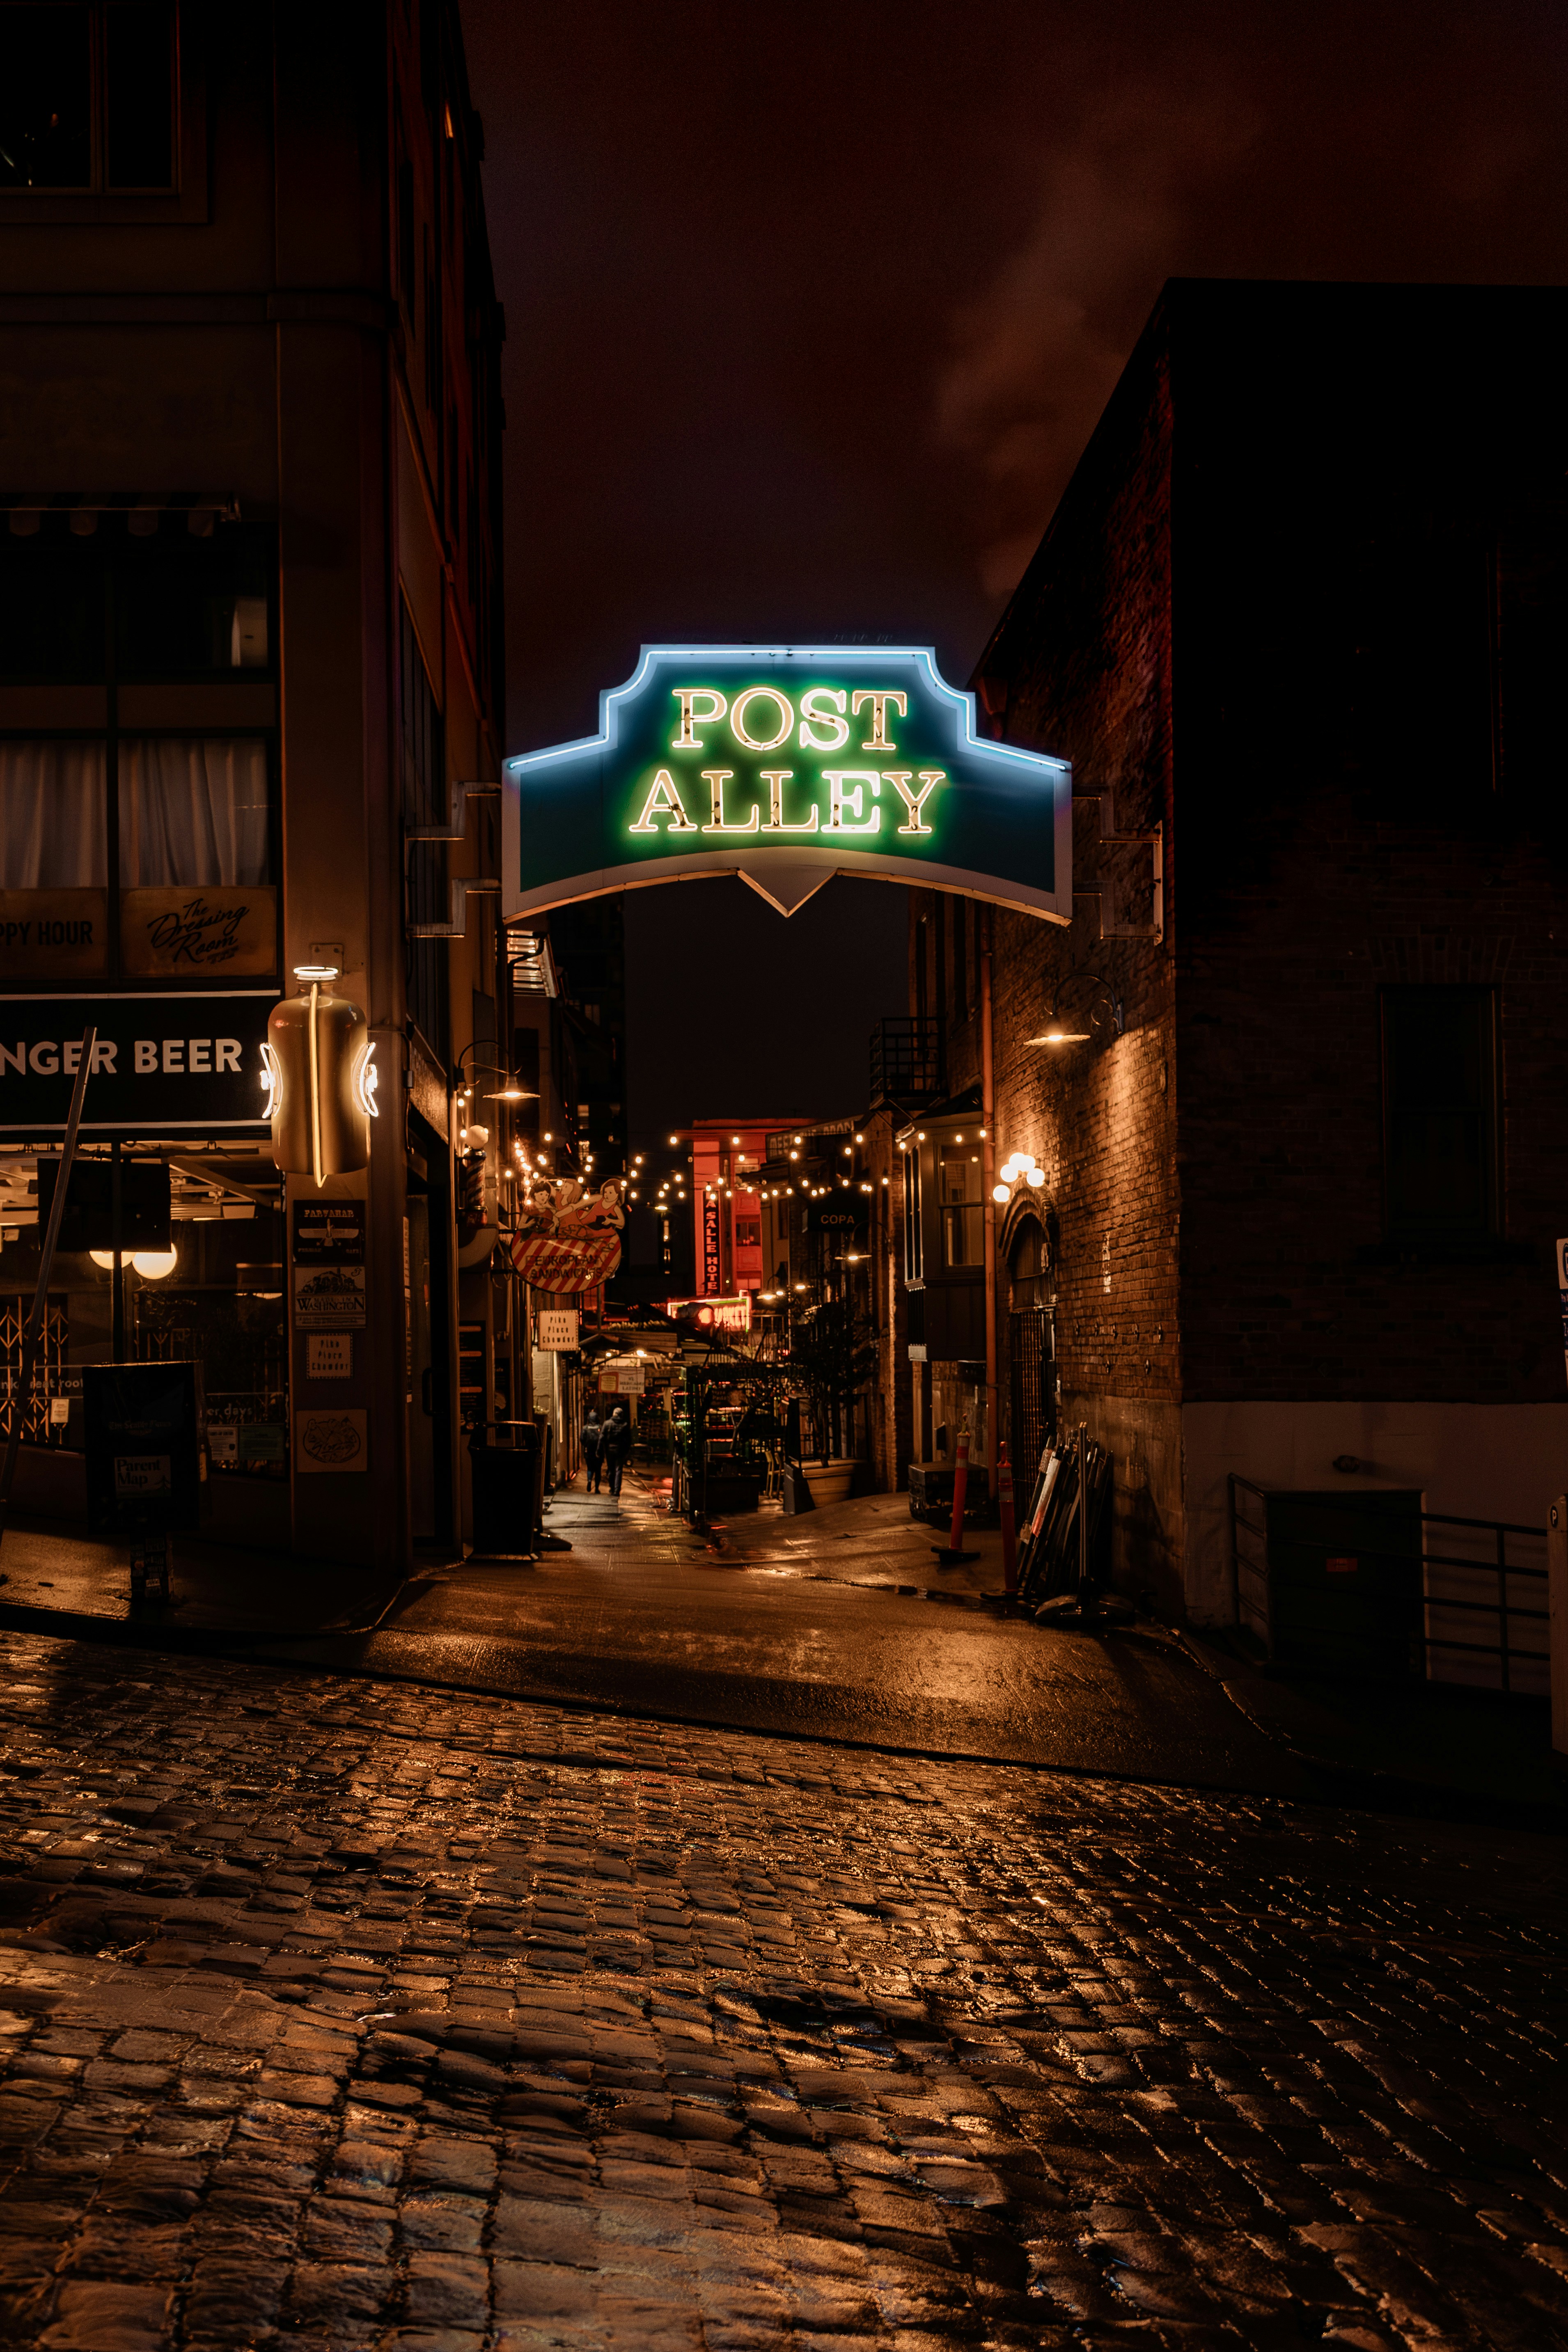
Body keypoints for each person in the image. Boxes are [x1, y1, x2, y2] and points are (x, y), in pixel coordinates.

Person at [603, 1404, 630, 1498]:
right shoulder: (625, 1425)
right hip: (621, 1451)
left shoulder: (607, 1424)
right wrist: (627, 1452)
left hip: (610, 1451)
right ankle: (617, 1490)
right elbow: (628, 1440)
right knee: (619, 1470)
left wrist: (600, 1451)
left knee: (611, 1470)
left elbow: (602, 1438)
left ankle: (612, 1488)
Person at [582, 1408, 603, 1493]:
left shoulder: (586, 1428)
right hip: (599, 1452)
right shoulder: (600, 1428)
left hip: (589, 1452)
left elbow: (582, 1439)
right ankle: (597, 1488)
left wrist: (586, 1445)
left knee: (590, 1468)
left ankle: (589, 1480)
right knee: (598, 1470)